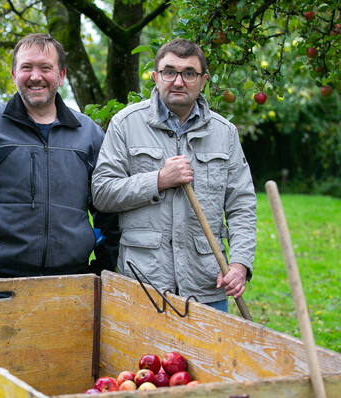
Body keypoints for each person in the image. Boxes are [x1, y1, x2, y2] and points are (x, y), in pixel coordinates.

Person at [91, 39, 256, 312]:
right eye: (169, 72)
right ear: (155, 77)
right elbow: (102, 194)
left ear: (203, 81)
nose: (178, 81)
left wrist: (239, 263)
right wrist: (158, 180)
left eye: (189, 73)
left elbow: (242, 205)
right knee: (144, 357)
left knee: (207, 357)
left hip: (206, 287)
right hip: (144, 285)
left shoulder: (224, 134)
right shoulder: (126, 124)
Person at [0, 33, 118, 280]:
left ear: (61, 75)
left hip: (73, 276)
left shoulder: (89, 133)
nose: (35, 76)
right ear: (13, 75)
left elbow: (107, 201)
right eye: (26, 67)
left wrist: (104, 264)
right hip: (1, 274)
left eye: (46, 68)